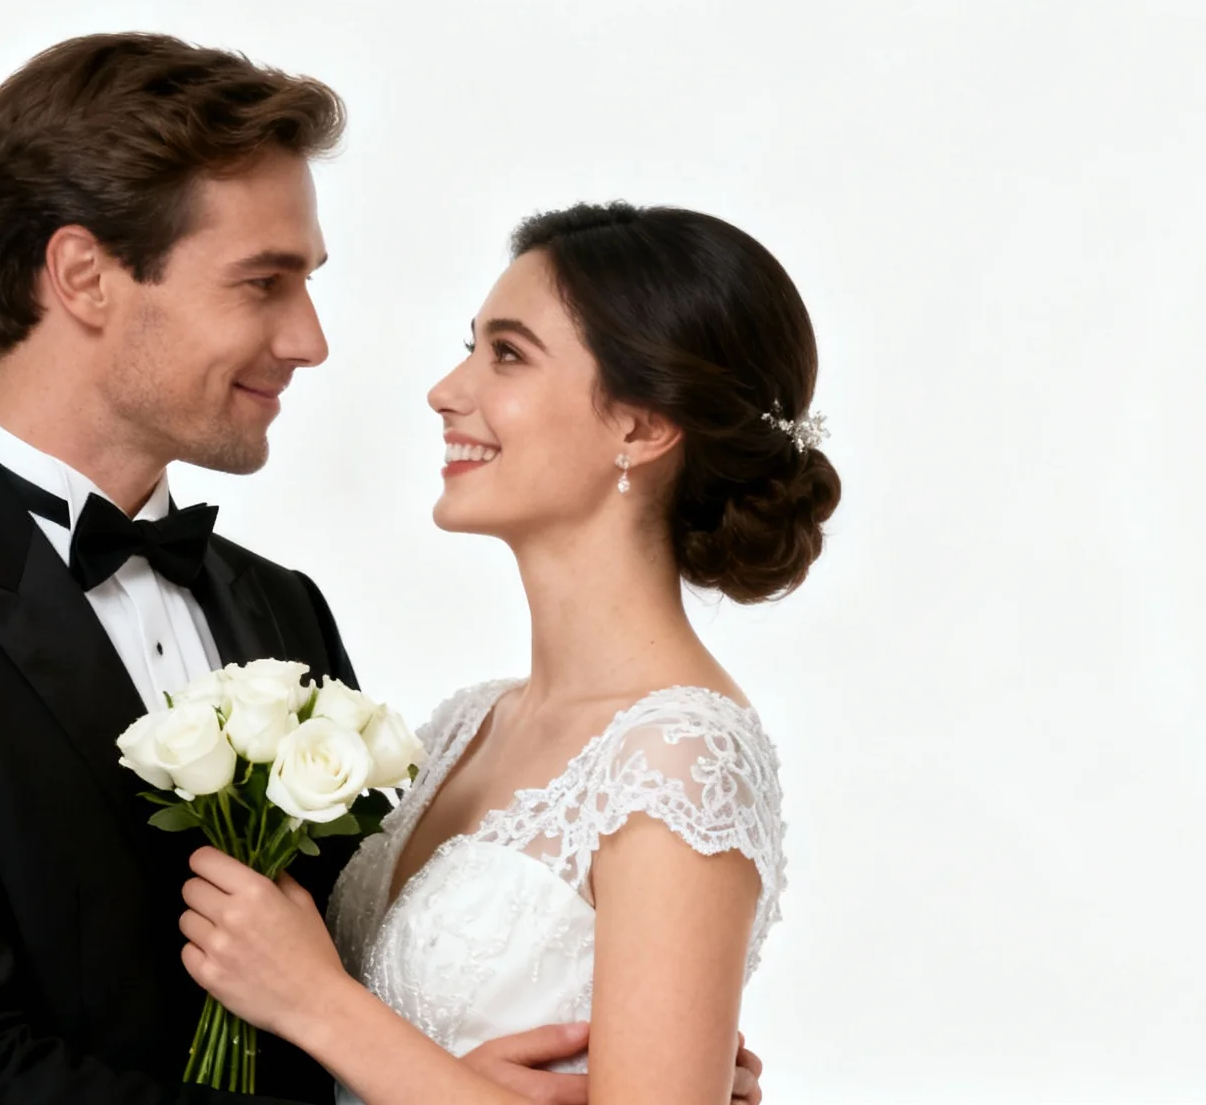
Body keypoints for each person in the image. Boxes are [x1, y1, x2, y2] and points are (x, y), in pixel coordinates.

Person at [0, 34, 767, 1105]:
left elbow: (342, 984)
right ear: (83, 277)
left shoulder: (278, 607)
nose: (309, 340)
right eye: (264, 283)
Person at [176, 202, 839, 1105]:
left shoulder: (682, 756)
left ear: (641, 428)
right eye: (472, 346)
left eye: (509, 354)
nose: (449, 390)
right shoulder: (466, 724)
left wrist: (317, 1003)